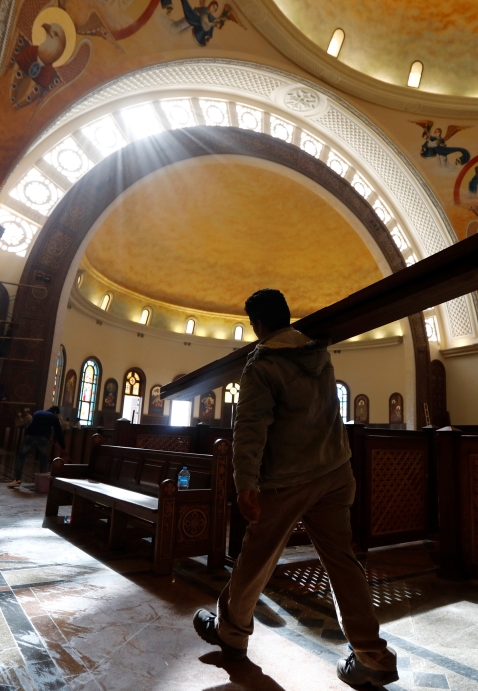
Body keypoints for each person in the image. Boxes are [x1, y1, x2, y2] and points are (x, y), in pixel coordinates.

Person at [193, 289, 398, 687]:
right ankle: (372, 656)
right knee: (342, 561)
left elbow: (250, 428)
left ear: (260, 325)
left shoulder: (262, 365)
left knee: (256, 558)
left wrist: (245, 482)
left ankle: (231, 633)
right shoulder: (318, 355)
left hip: (286, 480)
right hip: (336, 471)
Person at [8, 406, 68, 488]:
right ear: (55, 412)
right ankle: (42, 481)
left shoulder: (37, 412)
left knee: (21, 457)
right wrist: (63, 448)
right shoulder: (54, 417)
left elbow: (33, 424)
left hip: (29, 435)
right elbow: (58, 433)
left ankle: (17, 479)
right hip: (42, 438)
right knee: (43, 459)